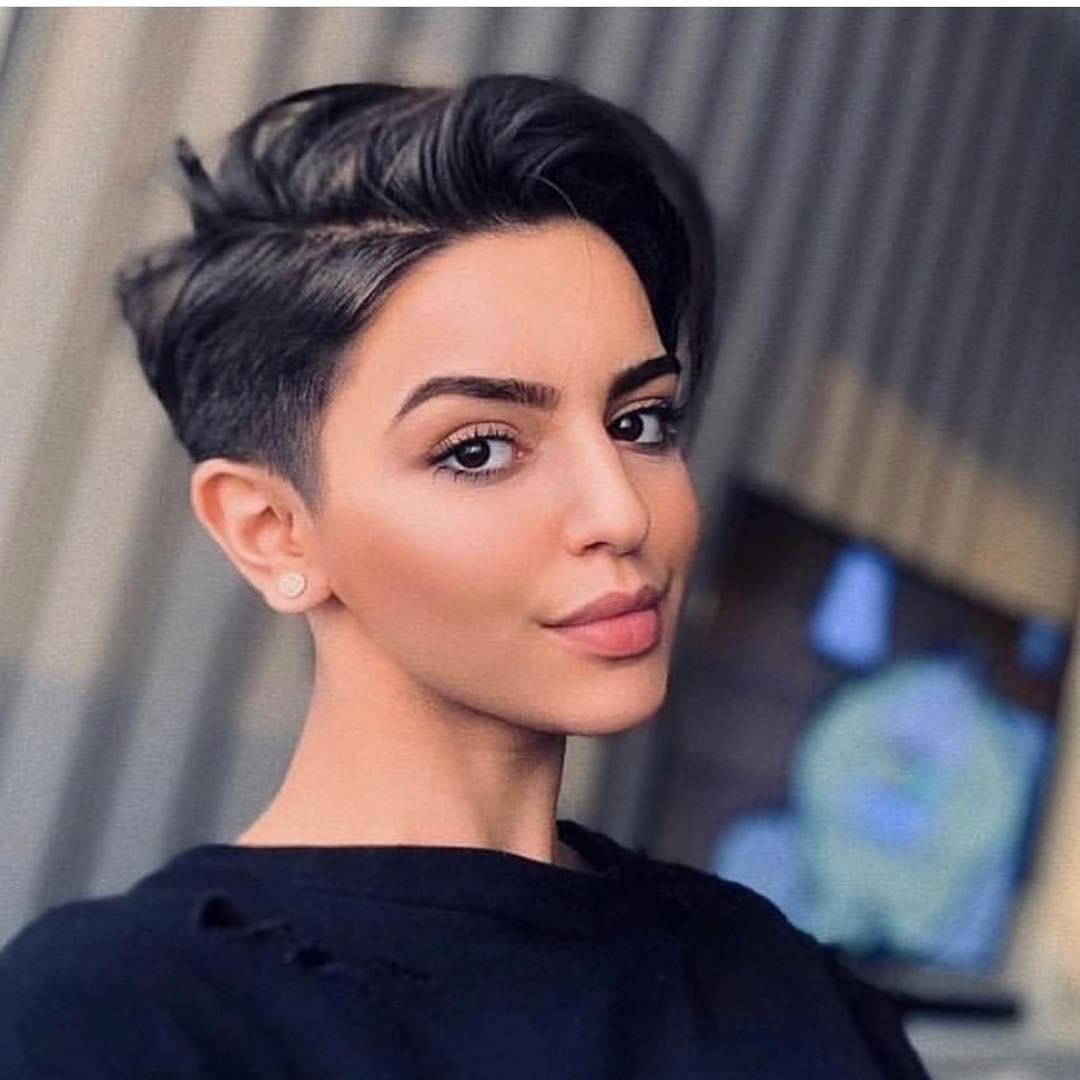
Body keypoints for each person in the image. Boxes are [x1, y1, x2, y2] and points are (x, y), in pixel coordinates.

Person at [0, 75, 930, 1078]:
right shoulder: (110, 1017)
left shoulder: (789, 987)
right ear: (272, 533)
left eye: (640, 422)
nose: (620, 512)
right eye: (480, 449)